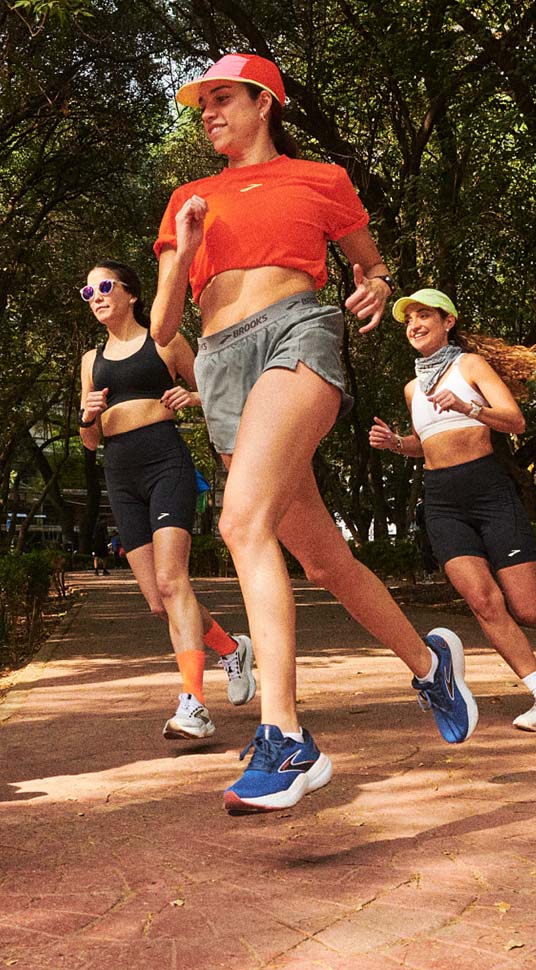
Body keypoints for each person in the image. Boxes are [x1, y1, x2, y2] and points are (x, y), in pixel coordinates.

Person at [151, 52, 478, 815]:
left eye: (222, 98)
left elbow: (372, 268)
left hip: (297, 334)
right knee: (324, 559)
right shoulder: (188, 197)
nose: (208, 113)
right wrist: (190, 247)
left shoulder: (321, 180)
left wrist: (378, 287)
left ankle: (286, 736)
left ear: (265, 102)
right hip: (221, 362)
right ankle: (430, 665)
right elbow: (165, 325)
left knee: (240, 521)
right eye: (203, 104)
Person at [370, 288, 536, 732]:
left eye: (425, 315)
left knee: (527, 610)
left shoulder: (470, 366)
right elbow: (428, 445)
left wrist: (469, 406)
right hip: (442, 501)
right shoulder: (412, 389)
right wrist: (398, 444)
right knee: (483, 603)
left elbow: (515, 421)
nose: (415, 324)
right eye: (409, 319)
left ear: (448, 323)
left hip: (489, 490)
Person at [78, 259, 256, 739]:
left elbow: (214, 392)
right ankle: (230, 649)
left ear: (131, 294)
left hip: (165, 465)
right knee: (158, 600)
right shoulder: (91, 361)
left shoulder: (165, 343)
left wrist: (189, 398)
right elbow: (90, 442)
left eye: (105, 287)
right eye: (88, 292)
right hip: (119, 472)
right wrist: (87, 415)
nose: (96, 296)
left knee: (173, 581)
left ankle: (194, 704)